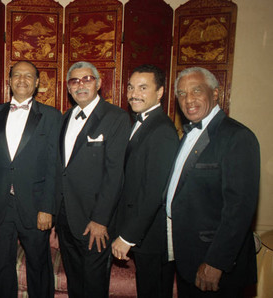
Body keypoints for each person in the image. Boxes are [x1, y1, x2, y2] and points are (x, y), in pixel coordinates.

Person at [166, 67, 260, 297]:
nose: (188, 99)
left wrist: (216, 262)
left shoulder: (237, 137)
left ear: (215, 93)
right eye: (181, 93)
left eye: (196, 91)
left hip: (213, 263)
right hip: (188, 257)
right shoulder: (187, 134)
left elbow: (239, 208)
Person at [55, 61, 131, 297]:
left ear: (98, 83)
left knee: (94, 286)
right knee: (75, 283)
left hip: (94, 223)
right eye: (74, 81)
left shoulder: (116, 117)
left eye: (87, 79)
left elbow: (115, 173)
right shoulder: (65, 117)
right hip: (66, 218)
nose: (81, 85)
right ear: (68, 88)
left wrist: (100, 220)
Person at [0, 60, 61, 298]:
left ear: (37, 83)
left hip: (35, 205)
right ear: (8, 81)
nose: (22, 79)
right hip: (1, 204)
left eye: (28, 76)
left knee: (39, 265)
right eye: (16, 75)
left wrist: (47, 208)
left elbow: (54, 166)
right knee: (2, 265)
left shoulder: (51, 116)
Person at [111, 64, 179, 297]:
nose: (133, 94)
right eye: (130, 87)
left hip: (152, 236)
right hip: (144, 234)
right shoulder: (142, 123)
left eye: (142, 88)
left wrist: (128, 236)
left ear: (160, 92)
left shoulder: (162, 130)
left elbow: (153, 193)